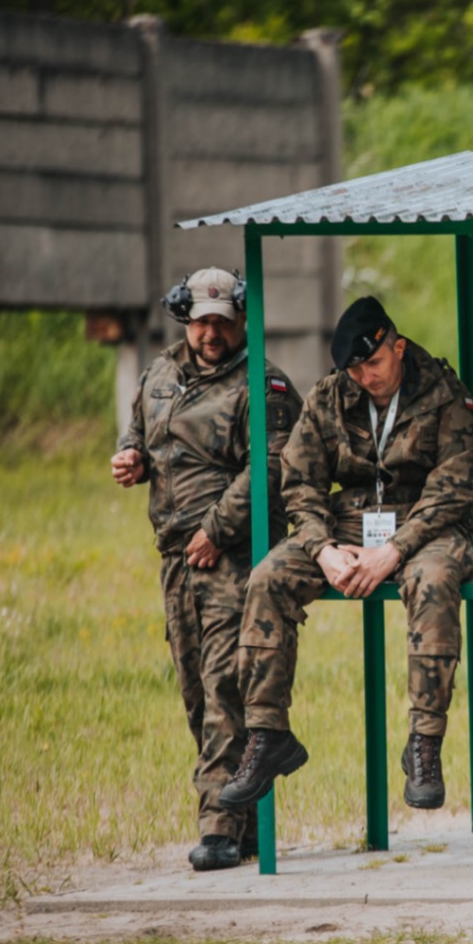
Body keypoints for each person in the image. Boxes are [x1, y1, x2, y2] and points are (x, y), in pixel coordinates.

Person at [217, 296, 473, 814]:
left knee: (432, 581)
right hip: (346, 523)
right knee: (268, 577)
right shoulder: (330, 395)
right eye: (355, 368)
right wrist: (320, 550)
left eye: (374, 362)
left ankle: (424, 743)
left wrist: (393, 551)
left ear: (397, 346)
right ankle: (268, 734)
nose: (366, 376)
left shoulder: (445, 395)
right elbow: (301, 481)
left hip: (427, 525)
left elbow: (453, 489)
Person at [111, 267, 303, 871]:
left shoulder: (262, 384)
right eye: (201, 322)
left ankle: (218, 826)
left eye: (222, 321)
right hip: (175, 560)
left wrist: (215, 531)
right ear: (184, 319)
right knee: (197, 693)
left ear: (240, 319)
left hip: (233, 558)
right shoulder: (161, 372)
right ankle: (241, 822)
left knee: (226, 689)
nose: (211, 332)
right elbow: (141, 431)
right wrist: (132, 458)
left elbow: (269, 468)